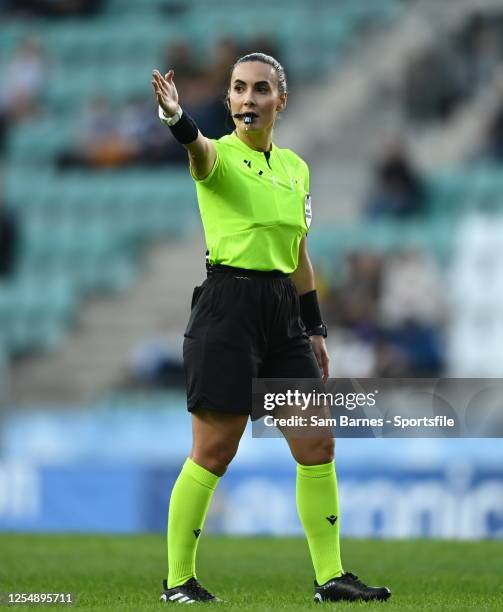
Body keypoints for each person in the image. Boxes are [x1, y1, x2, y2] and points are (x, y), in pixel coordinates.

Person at [151, 53, 391, 605]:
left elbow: (299, 254)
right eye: (238, 89)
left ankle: (331, 579)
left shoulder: (296, 169)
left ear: (280, 101)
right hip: (227, 309)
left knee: (318, 442)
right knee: (214, 450)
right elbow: (197, 147)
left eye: (261, 89)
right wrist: (175, 119)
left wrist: (315, 327)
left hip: (282, 312)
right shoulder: (218, 157)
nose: (248, 99)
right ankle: (178, 581)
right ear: (230, 100)